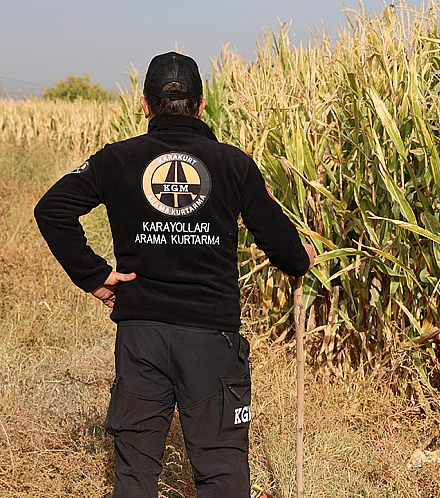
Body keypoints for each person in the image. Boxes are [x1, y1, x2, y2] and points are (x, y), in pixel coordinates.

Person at [34, 52, 315, 497]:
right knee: (221, 468)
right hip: (211, 340)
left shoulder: (116, 160)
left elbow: (52, 210)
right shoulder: (233, 164)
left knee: (135, 471)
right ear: (202, 106)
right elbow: (285, 249)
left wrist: (95, 276)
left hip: (140, 336)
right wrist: (302, 257)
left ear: (144, 105)